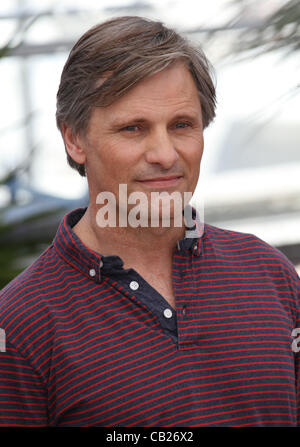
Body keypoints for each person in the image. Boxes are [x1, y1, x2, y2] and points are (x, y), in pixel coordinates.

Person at [0, 16, 299, 427]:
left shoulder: (269, 274)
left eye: (181, 125)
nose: (164, 153)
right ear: (74, 138)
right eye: (133, 128)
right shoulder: (21, 324)